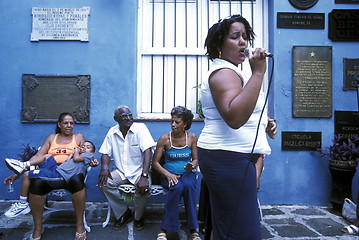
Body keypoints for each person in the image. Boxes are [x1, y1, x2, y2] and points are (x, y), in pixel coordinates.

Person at [197, 14, 277, 240]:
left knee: (227, 225)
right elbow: (233, 117)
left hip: (231, 155)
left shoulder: (233, 72)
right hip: (227, 158)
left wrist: (263, 123)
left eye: (245, 36)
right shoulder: (223, 73)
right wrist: (259, 72)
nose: (243, 42)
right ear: (218, 45)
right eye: (235, 37)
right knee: (241, 231)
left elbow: (241, 108)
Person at [3, 112, 86, 219]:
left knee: (76, 179)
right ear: (59, 124)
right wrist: (16, 175)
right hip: (50, 169)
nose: (69, 126)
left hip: (69, 171)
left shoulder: (79, 137)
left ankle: (80, 224)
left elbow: (86, 154)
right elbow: (38, 156)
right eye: (66, 123)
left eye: (71, 123)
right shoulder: (52, 138)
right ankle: (26, 209)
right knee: (32, 175)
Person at [97, 105, 155, 231]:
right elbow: (105, 153)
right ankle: (124, 213)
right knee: (104, 183)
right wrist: (105, 166)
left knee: (144, 188)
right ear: (116, 119)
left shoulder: (140, 128)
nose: (128, 118)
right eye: (124, 116)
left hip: (139, 171)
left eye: (130, 115)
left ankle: (138, 217)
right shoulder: (112, 132)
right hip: (121, 172)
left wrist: (144, 176)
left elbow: (147, 151)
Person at [152, 106, 201, 240]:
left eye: (177, 122)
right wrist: (168, 174)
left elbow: (196, 159)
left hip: (187, 174)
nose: (173, 124)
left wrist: (192, 165)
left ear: (185, 124)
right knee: (177, 187)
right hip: (168, 174)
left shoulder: (192, 138)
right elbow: (155, 163)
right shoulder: (165, 139)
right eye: (172, 121)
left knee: (189, 187)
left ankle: (193, 230)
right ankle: (164, 229)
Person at [6, 141, 95, 190]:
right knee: (48, 156)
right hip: (56, 169)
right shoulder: (52, 137)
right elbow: (67, 161)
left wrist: (77, 152)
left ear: (92, 152)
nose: (84, 148)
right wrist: (72, 153)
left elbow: (77, 159)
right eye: (83, 146)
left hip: (60, 176)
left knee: (27, 174)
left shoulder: (88, 155)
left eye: (87, 147)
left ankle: (22, 203)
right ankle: (24, 164)